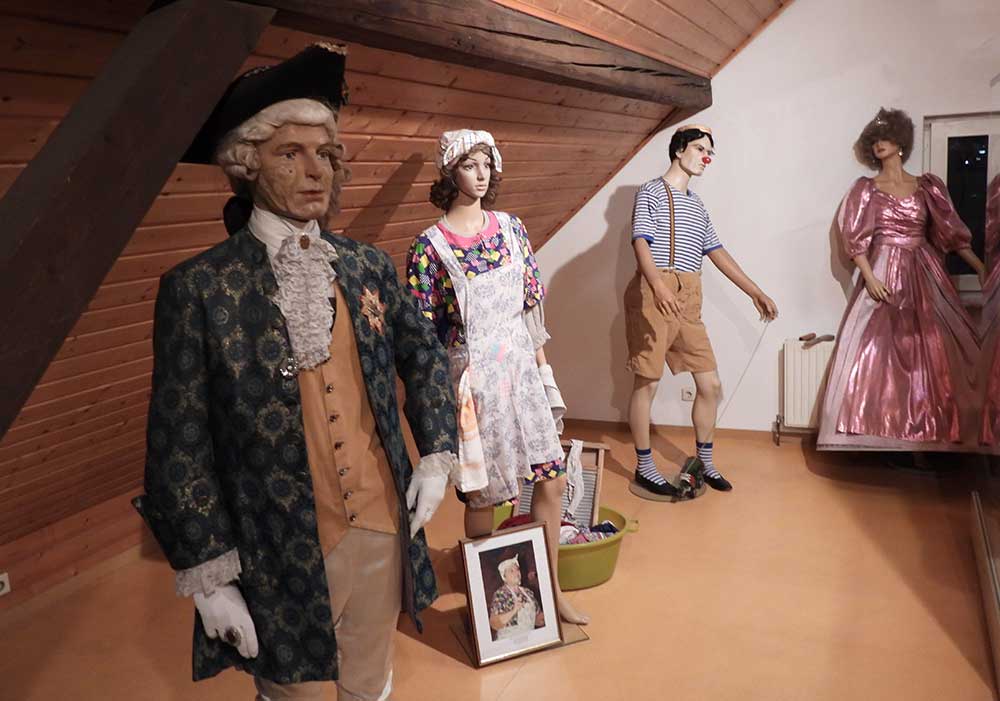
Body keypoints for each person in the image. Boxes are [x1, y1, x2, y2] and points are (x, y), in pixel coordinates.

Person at [134, 44, 459, 701]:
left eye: (326, 154)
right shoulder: (200, 288)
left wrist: (435, 454)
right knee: (295, 694)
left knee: (369, 684)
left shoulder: (366, 266)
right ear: (247, 162)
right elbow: (179, 440)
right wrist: (209, 576)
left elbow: (424, 354)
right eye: (290, 153)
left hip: (381, 526)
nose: (316, 172)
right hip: (276, 548)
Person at [405, 129, 589, 625]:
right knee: (483, 494)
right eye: (470, 165)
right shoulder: (429, 248)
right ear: (450, 173)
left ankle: (550, 590)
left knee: (550, 479)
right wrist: (440, 405)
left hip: (522, 372)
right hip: (474, 385)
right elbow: (424, 336)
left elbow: (530, 309)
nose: (481, 174)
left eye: (487, 163)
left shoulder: (511, 228)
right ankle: (484, 598)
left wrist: (546, 375)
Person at [817, 108, 984, 452]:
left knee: (932, 352)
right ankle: (878, 433)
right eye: (874, 140)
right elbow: (854, 238)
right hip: (883, 271)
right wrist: (869, 277)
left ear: (900, 142)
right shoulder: (866, 189)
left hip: (924, 273)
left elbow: (952, 234)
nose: (879, 144)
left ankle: (931, 434)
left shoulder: (927, 187)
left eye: (886, 137)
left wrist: (981, 268)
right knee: (877, 353)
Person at [625, 124, 778, 497]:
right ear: (679, 150)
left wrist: (754, 291)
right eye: (699, 148)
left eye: (710, 152)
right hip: (654, 291)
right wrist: (658, 284)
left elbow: (717, 252)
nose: (706, 157)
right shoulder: (650, 192)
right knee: (647, 381)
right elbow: (640, 240)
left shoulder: (697, 205)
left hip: (690, 296)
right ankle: (645, 466)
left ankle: (705, 462)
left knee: (711, 385)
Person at [488, 555, 543, 640]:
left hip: (529, 638)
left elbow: (537, 619)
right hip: (508, 641)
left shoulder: (528, 592)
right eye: (511, 571)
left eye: (517, 569)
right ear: (504, 577)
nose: (517, 573)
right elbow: (494, 624)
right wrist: (514, 610)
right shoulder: (501, 594)